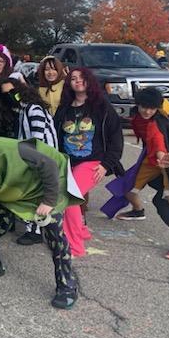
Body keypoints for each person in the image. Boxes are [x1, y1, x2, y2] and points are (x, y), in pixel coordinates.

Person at [0, 136, 83, 309]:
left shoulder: (13, 150)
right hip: (14, 196)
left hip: (44, 190)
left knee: (56, 239)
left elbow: (49, 164)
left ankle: (67, 287)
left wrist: (49, 201)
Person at [103, 88, 169, 260]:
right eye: (145, 107)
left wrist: (162, 158)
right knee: (127, 187)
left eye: (152, 108)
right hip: (150, 159)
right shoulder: (137, 117)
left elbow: (158, 142)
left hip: (167, 161)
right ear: (138, 105)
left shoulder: (157, 123)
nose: (148, 111)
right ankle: (138, 211)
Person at [53, 67, 124, 257]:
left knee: (70, 197)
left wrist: (106, 165)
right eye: (73, 78)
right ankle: (82, 231)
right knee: (70, 197)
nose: (77, 81)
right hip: (68, 163)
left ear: (89, 81)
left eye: (81, 77)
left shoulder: (101, 107)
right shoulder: (64, 109)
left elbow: (116, 138)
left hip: (93, 162)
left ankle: (74, 246)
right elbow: (56, 137)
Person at [0, 78, 59, 245]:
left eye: (12, 92)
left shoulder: (33, 109)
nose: (9, 96)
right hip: (36, 157)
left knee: (34, 192)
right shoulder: (25, 109)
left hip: (40, 158)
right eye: (5, 94)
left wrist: (31, 160)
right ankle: (35, 227)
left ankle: (35, 230)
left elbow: (37, 139)